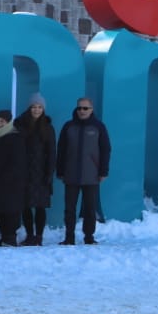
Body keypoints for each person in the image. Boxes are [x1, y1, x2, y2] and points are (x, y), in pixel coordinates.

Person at [57, 96, 111, 245]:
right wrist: (60, 170)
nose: (82, 111)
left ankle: (89, 237)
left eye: (85, 108)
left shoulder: (98, 127)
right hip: (71, 173)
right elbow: (61, 150)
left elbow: (105, 149)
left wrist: (103, 171)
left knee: (90, 208)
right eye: (79, 108)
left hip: (91, 174)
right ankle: (69, 237)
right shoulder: (68, 127)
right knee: (69, 209)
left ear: (91, 110)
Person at [17, 93, 57, 245]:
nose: (36, 110)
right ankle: (29, 235)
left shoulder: (48, 128)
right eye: (34, 107)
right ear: (29, 108)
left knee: (40, 206)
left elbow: (52, 151)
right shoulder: (20, 125)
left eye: (40, 107)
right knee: (25, 206)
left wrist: (49, 172)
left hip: (41, 172)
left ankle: (39, 236)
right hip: (24, 171)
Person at [0, 109, 26, 246]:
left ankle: (10, 237)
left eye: (2, 121)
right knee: (0, 210)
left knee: (10, 211)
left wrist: (7, 176)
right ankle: (4, 236)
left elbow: (17, 162)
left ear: (8, 122)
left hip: (11, 182)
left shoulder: (15, 138)